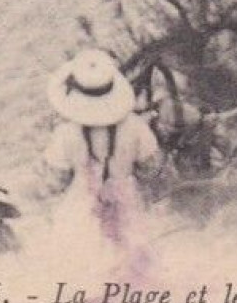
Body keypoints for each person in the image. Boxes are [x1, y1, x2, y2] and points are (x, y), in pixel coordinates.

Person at [42, 49, 161, 254]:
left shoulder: (65, 133)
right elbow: (151, 169)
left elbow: (56, 182)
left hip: (81, 208)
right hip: (127, 205)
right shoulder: (135, 126)